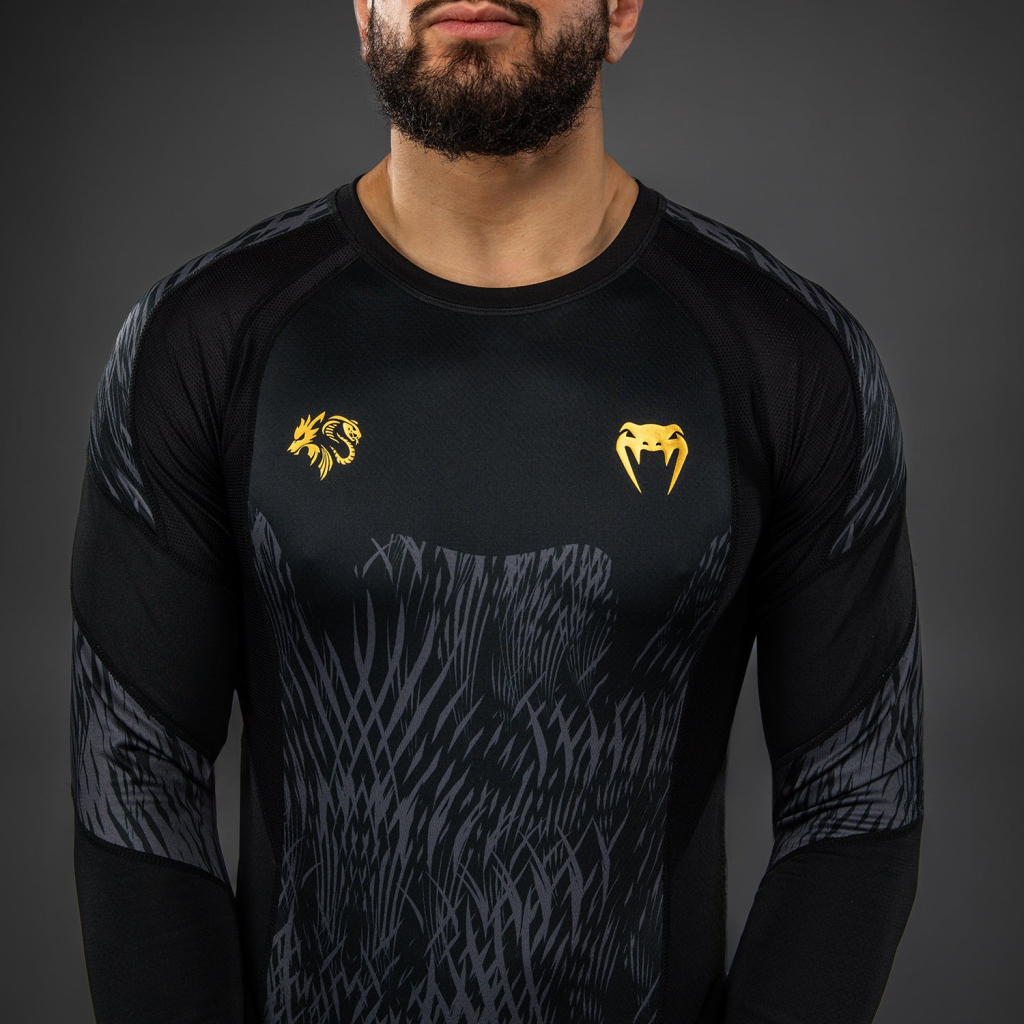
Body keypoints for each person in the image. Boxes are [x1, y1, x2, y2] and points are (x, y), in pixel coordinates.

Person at [68, 1, 924, 1021]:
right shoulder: (198, 343)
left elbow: (856, 800)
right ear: (362, 10)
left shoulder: (789, 358)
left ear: (622, 10)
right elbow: (135, 774)